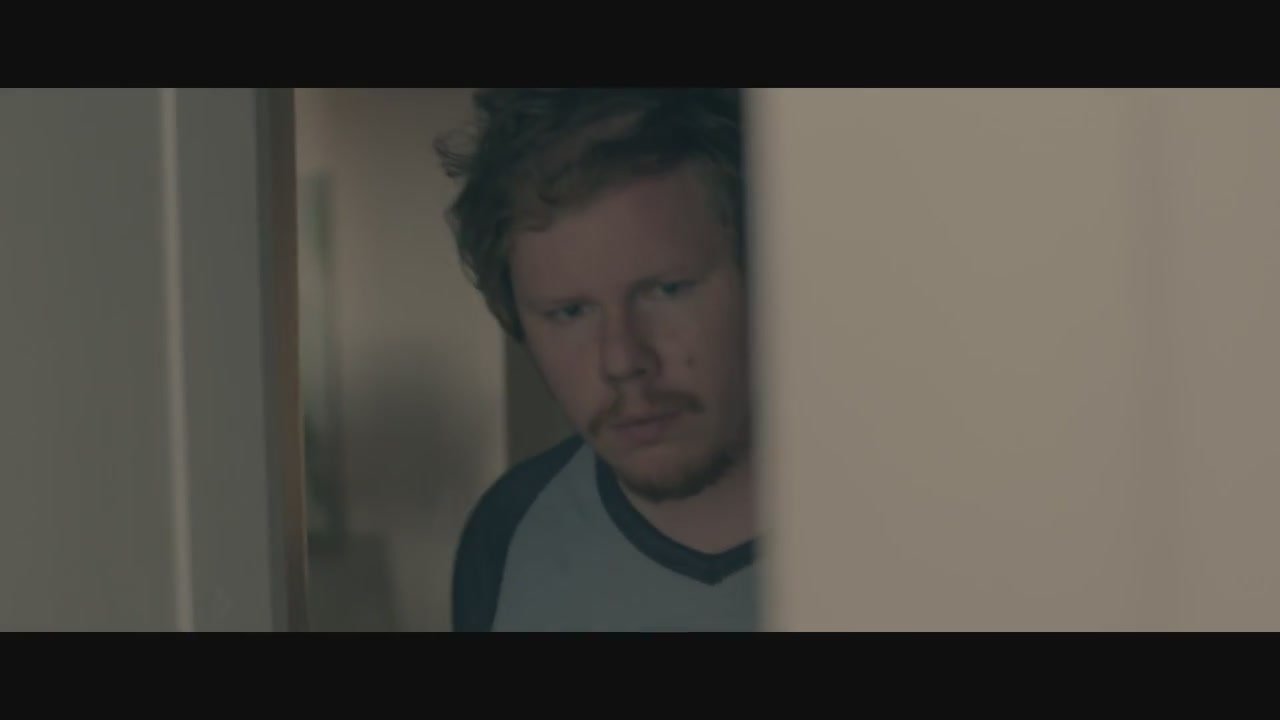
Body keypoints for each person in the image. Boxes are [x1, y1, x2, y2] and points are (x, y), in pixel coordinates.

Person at [436, 88, 756, 632]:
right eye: (570, 312)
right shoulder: (508, 531)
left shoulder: (895, 508)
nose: (622, 360)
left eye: (668, 289)